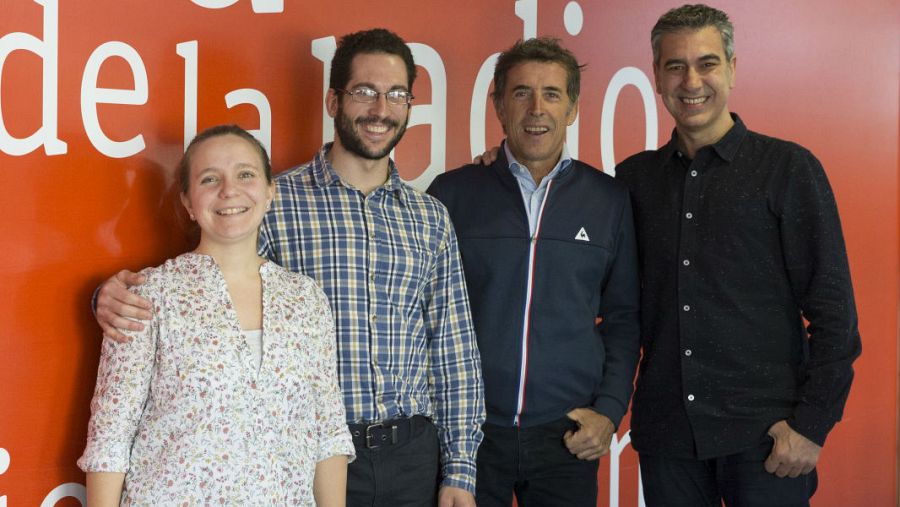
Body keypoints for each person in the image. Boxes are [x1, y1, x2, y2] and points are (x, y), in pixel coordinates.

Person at [93, 29, 484, 507]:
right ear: (333, 101)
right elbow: (209, 286)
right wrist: (105, 298)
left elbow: (454, 349)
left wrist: (460, 467)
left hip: (411, 459)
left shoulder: (430, 218)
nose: (381, 108)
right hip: (303, 462)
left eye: (397, 93)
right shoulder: (272, 199)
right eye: (364, 91)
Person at [614, 5, 862, 506]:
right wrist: (501, 162)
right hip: (669, 440)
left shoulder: (788, 169)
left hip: (768, 441)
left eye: (706, 63)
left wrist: (812, 426)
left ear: (731, 67)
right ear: (656, 76)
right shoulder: (633, 180)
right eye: (675, 66)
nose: (691, 81)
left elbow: (836, 316)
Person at [78, 125, 353, 505]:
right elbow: (111, 434)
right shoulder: (147, 297)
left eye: (245, 174)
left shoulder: (308, 301)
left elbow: (329, 432)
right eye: (210, 179)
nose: (229, 190)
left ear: (270, 191)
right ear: (188, 203)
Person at [428, 38, 640, 506]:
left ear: (573, 108)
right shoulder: (452, 193)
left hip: (566, 435)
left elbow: (624, 319)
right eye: (521, 93)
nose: (536, 109)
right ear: (499, 106)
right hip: (468, 435)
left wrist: (607, 412)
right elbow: (421, 313)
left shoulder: (608, 200)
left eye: (552, 94)